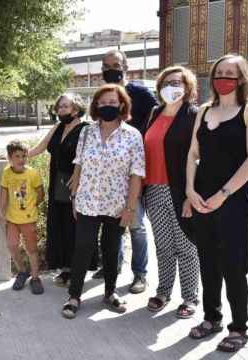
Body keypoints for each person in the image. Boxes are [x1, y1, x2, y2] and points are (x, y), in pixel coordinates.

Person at [186, 54, 248, 353]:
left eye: (231, 73)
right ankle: (211, 317)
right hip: (203, 198)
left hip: (233, 200)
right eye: (219, 72)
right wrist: (191, 190)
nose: (224, 78)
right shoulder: (204, 110)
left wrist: (223, 194)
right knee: (207, 263)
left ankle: (238, 327)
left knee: (233, 266)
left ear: (241, 78)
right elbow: (193, 153)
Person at [62, 84, 145, 319]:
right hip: (88, 201)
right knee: (82, 249)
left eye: (112, 102)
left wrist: (130, 208)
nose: (107, 106)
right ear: (96, 106)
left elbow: (136, 174)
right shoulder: (87, 132)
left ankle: (109, 293)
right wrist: (75, 196)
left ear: (121, 105)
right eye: (102, 102)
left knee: (111, 250)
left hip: (116, 205)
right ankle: (74, 296)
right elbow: (78, 163)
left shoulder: (133, 136)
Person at [143, 66, 200, 318]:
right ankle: (163, 291)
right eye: (166, 82)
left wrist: (192, 194)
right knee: (163, 245)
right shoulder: (155, 113)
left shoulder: (194, 114)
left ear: (187, 87)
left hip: (181, 191)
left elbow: (199, 158)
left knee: (186, 247)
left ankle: (190, 297)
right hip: (154, 190)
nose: (171, 86)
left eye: (177, 82)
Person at [100, 49, 156, 293]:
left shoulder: (141, 94)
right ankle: (115, 264)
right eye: (106, 65)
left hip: (134, 170)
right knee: (112, 223)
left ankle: (139, 274)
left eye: (115, 64)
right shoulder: (104, 95)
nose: (110, 69)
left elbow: (157, 118)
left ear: (125, 66)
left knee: (135, 224)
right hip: (110, 172)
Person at [28, 94, 88, 287]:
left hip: (76, 184)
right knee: (60, 226)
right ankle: (65, 269)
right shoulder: (57, 127)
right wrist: (15, 156)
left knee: (74, 227)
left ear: (76, 109)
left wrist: (79, 180)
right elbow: (39, 148)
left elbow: (89, 159)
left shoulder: (86, 130)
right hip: (56, 183)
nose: (61, 110)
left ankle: (76, 270)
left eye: (65, 106)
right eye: (59, 107)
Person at [0, 140, 45, 294]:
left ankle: (35, 277)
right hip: (12, 219)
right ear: (10, 158)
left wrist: (32, 206)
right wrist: (1, 212)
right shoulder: (7, 173)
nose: (21, 159)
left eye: (24, 156)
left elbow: (40, 194)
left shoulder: (32, 173)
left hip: (28, 219)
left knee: (31, 249)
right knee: (12, 245)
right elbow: (4, 193)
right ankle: (22, 271)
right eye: (17, 156)